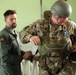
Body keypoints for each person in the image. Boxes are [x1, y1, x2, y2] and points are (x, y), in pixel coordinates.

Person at [19, 0, 76, 75]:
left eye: (66, 17)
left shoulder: (70, 25)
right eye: (62, 17)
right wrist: (30, 37)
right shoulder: (39, 24)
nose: (64, 20)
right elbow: (22, 34)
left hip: (65, 64)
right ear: (54, 14)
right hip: (45, 64)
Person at [0, 10, 34, 75]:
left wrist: (30, 56)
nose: (14, 21)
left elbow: (16, 51)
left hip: (15, 70)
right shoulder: (2, 35)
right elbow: (4, 57)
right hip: (7, 72)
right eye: (11, 19)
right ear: (5, 20)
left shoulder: (14, 33)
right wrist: (22, 57)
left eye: (15, 19)